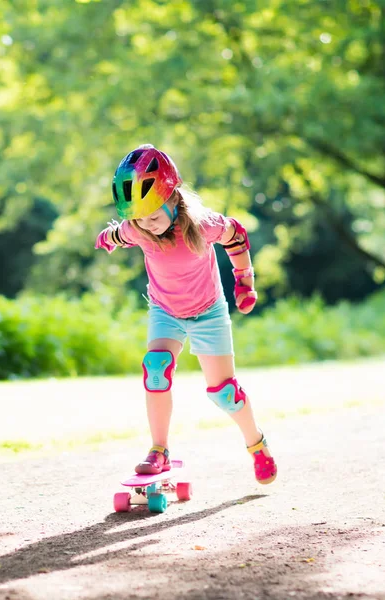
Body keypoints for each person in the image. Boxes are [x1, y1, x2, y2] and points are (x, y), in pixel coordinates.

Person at [94, 144, 277, 485]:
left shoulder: (203, 224)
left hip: (208, 312)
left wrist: (244, 281)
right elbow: (120, 234)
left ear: (172, 198)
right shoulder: (138, 228)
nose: (147, 225)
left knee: (224, 393)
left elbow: (236, 235)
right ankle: (158, 450)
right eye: (138, 219)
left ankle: (257, 444)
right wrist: (107, 237)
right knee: (156, 368)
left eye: (153, 216)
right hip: (166, 311)